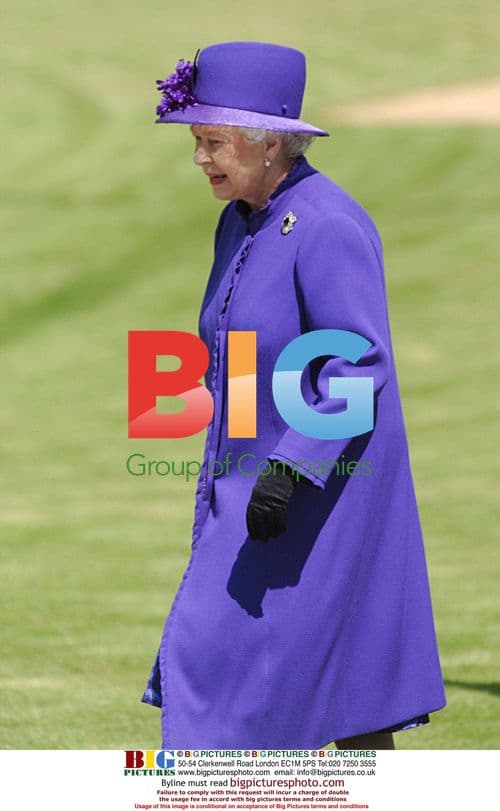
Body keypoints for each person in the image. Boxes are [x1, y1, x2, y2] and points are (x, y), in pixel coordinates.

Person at [141, 41, 447, 750]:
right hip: (248, 483)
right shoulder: (238, 219)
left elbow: (357, 362)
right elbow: (240, 349)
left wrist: (289, 467)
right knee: (306, 688)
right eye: (196, 140)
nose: (200, 157)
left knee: (281, 675)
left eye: (214, 141)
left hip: (323, 492)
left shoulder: (328, 224)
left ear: (270, 142)